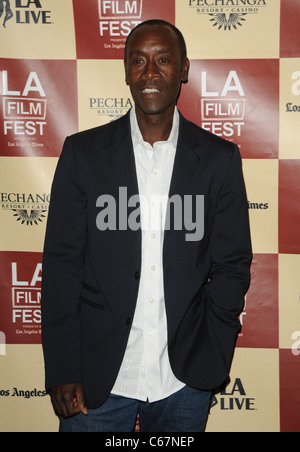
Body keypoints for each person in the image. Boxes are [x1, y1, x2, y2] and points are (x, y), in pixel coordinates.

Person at [41, 19, 252, 433]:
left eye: (163, 60)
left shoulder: (218, 159)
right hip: (96, 377)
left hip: (183, 380)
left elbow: (232, 263)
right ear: (125, 71)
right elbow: (62, 266)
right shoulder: (83, 154)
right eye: (138, 61)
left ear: (184, 69)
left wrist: (214, 347)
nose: (150, 73)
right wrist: (63, 366)